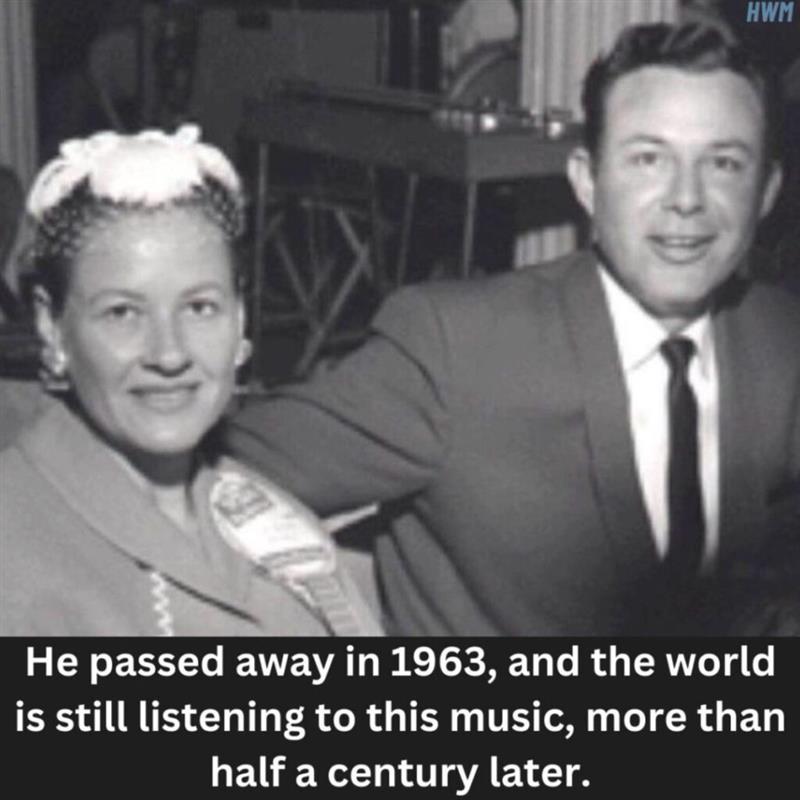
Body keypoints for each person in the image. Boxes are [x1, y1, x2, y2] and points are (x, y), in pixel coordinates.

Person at [226, 22, 800, 636]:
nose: (687, 198)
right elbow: (195, 477)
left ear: (766, 193)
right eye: (648, 158)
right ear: (586, 180)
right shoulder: (455, 349)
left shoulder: (778, 337)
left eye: (724, 163)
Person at [0, 126, 381, 637]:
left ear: (239, 318)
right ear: (52, 327)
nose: (170, 353)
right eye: (122, 312)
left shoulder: (264, 512)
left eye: (200, 307)